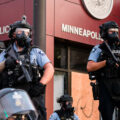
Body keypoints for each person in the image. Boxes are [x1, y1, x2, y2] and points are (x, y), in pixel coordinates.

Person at [0, 15, 54, 120]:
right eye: (20, 31)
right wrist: (6, 63)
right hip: (11, 98)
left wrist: (41, 84)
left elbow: (49, 68)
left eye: (27, 32)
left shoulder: (35, 51)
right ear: (13, 33)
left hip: (32, 96)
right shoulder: (5, 54)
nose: (24, 34)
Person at [87, 21, 120, 120]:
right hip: (105, 87)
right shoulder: (99, 49)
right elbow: (90, 66)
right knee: (106, 116)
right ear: (105, 33)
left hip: (119, 84)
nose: (114, 34)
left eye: (116, 32)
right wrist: (105, 63)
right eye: (111, 31)